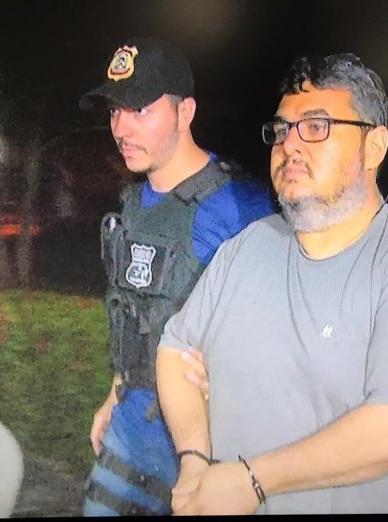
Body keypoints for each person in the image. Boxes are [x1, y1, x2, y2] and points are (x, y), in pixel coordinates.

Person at [156, 52, 388, 514]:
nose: (290, 145)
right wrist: (195, 461)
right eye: (281, 130)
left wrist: (252, 480)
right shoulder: (246, 249)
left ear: (374, 147)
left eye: (317, 127)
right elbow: (176, 352)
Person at [78, 36, 276, 516]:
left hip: (210, 447)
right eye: (115, 112)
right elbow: (134, 312)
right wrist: (115, 393)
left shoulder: (241, 208)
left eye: (140, 110)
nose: (121, 128)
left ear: (185, 112)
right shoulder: (131, 206)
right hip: (131, 439)